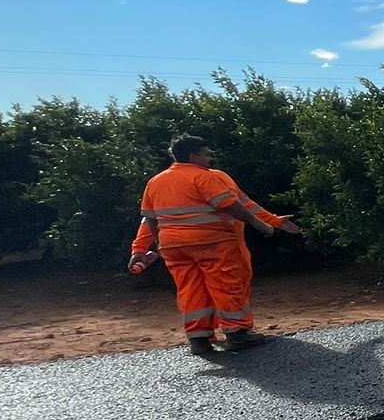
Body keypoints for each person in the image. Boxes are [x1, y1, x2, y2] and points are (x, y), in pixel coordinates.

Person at [129, 135, 301, 355]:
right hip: (213, 242)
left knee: (191, 290)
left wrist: (141, 249)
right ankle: (237, 333)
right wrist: (264, 225)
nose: (210, 158)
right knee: (227, 284)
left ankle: (199, 339)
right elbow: (235, 205)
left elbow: (150, 219)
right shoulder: (207, 178)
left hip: (173, 248)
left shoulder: (156, 182)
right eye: (206, 153)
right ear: (193, 155)